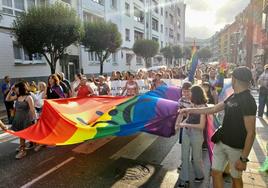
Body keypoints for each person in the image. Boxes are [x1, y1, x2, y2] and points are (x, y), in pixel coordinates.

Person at [180, 66, 257, 188]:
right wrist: (190, 109)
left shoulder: (248, 100)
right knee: (215, 173)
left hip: (236, 148)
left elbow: (251, 132)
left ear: (235, 79)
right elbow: (213, 108)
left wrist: (243, 159)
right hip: (221, 142)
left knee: (236, 178)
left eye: (231, 77)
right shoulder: (233, 96)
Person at [176, 85, 207, 187]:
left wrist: (184, 124)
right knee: (184, 157)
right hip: (186, 132)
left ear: (196, 94)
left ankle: (199, 175)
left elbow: (201, 126)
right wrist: (179, 123)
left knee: (196, 158)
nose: (188, 94)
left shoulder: (203, 107)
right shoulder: (191, 103)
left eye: (190, 92)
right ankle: (184, 180)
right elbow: (188, 117)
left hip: (196, 134)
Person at [2, 81, 37, 159]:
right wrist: (11, 90)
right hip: (18, 118)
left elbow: (32, 110)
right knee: (23, 135)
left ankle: (23, 150)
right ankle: (28, 145)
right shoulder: (18, 97)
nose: (16, 90)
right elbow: (7, 99)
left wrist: (34, 120)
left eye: (17, 88)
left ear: (21, 88)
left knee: (23, 135)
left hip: (26, 119)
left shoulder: (28, 97)